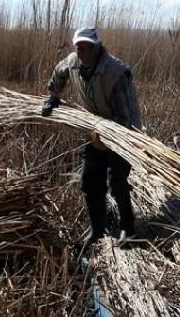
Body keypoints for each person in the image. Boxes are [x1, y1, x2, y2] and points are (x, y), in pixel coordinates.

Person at [41, 27, 142, 244]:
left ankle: (128, 229)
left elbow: (123, 118)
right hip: (96, 128)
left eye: (88, 48)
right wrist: (53, 96)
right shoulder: (72, 62)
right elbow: (59, 72)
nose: (83, 53)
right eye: (79, 48)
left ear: (97, 48)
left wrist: (103, 137)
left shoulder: (114, 73)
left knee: (117, 181)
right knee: (89, 181)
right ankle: (98, 229)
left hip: (124, 132)